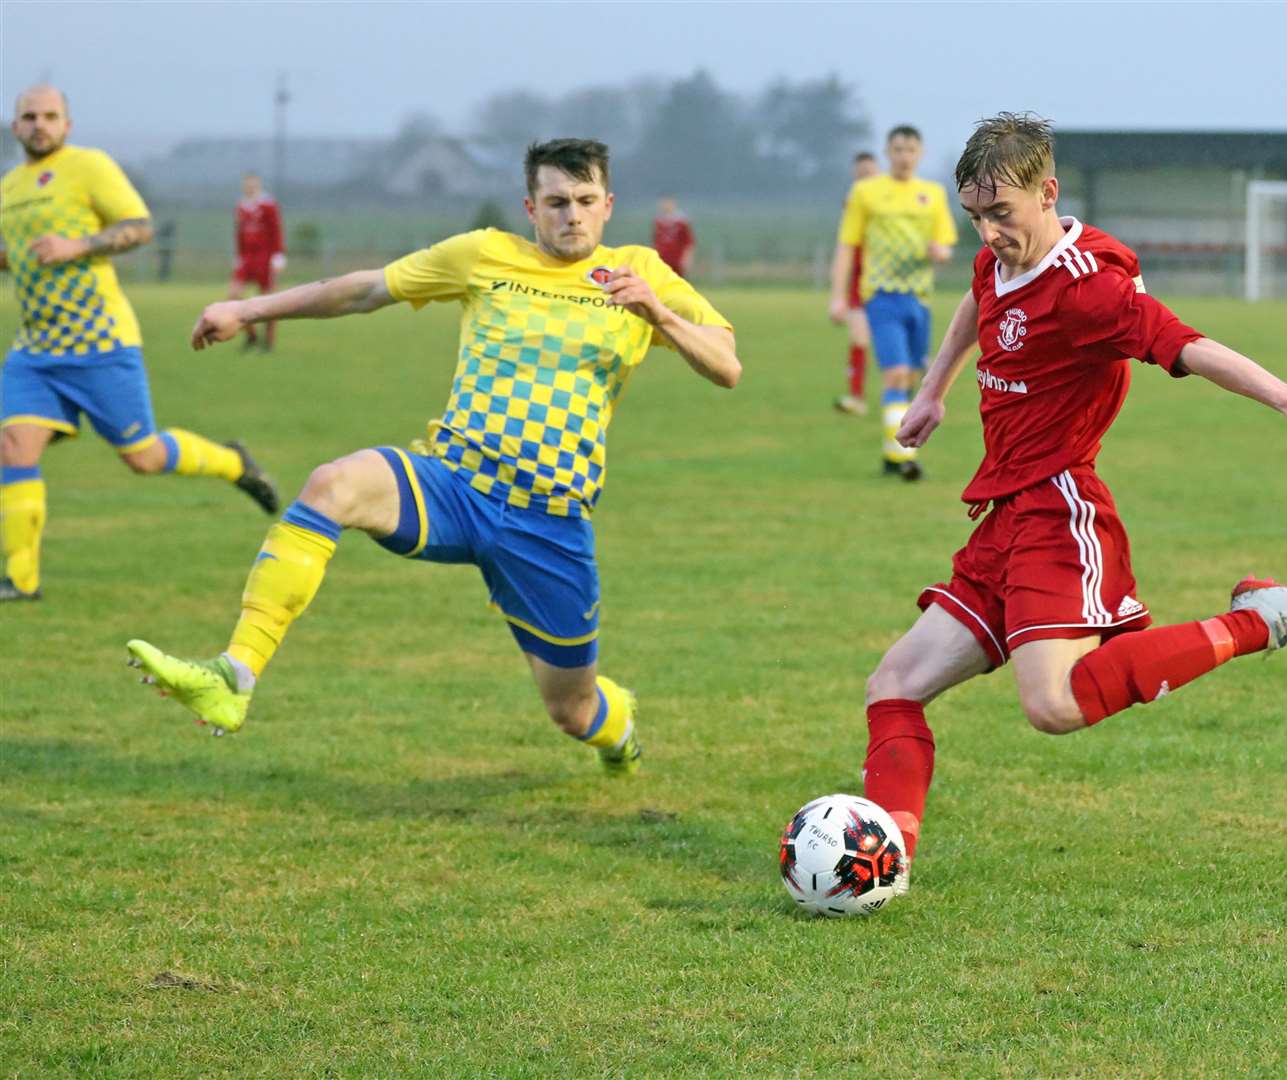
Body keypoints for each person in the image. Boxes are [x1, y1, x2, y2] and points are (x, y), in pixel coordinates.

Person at [856, 114, 1287, 888]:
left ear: (1048, 193)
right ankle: (886, 863)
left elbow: (1183, 342)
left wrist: (1284, 396)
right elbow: (976, 299)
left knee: (1055, 704)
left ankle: (1261, 618)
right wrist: (933, 391)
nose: (988, 232)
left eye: (1001, 214)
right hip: (1002, 516)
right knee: (892, 687)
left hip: (1058, 509)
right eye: (975, 215)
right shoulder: (998, 258)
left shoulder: (1086, 293)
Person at [125, 139, 741, 775]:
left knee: (572, 710)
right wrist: (245, 307)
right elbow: (364, 289)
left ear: (608, 205)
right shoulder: (483, 255)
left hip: (548, 523)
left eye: (585, 201)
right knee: (331, 484)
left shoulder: (639, 271)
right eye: (556, 202)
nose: (572, 216)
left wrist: (658, 312)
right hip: (454, 483)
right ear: (530, 207)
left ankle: (619, 734)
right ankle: (235, 675)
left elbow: (727, 365)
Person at [0, 85, 279, 603]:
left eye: (50, 116)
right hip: (36, 351)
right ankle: (21, 580)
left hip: (100, 343)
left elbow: (139, 226)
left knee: (144, 456)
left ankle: (233, 463)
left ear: (67, 124)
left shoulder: (88, 166)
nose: (40, 124)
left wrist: (78, 244)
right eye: (29, 117)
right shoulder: (9, 187)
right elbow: (13, 256)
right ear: (15, 127)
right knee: (12, 445)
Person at [828, 125, 957, 480]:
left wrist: (940, 252)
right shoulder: (866, 192)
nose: (904, 156)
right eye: (897, 149)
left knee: (914, 378)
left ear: (920, 154)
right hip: (881, 295)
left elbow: (945, 242)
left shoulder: (931, 193)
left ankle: (891, 452)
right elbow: (847, 245)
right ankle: (905, 458)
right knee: (895, 372)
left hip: (920, 297)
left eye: (910, 149)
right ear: (887, 152)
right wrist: (838, 296)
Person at [832, 151, 879, 417]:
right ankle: (856, 396)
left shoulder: (890, 203)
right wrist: (837, 296)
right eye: (861, 174)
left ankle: (907, 398)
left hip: (889, 283)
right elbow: (844, 249)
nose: (865, 178)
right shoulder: (851, 204)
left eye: (870, 173)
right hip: (860, 285)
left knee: (900, 350)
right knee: (859, 339)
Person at [228, 172, 286, 352]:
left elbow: (276, 230)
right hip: (246, 258)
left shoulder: (268, 205)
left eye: (253, 184)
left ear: (258, 185)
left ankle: (268, 341)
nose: (249, 187)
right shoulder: (241, 207)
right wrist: (238, 256)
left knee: (268, 300)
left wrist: (278, 255)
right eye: (247, 184)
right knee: (234, 294)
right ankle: (251, 334)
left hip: (265, 257)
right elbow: (239, 233)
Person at [652, 195, 694, 279]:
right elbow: (656, 240)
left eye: (668, 202)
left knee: (677, 282)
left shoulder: (681, 221)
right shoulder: (659, 221)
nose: (666, 205)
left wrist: (687, 258)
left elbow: (688, 241)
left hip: (676, 258)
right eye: (664, 203)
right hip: (662, 257)